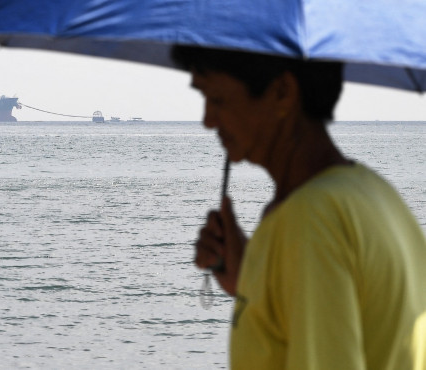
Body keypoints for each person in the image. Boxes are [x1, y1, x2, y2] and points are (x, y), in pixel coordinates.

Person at [171, 45, 426, 370]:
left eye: (218, 100)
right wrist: (252, 280)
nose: (207, 120)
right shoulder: (373, 193)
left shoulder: (309, 220)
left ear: (282, 92)